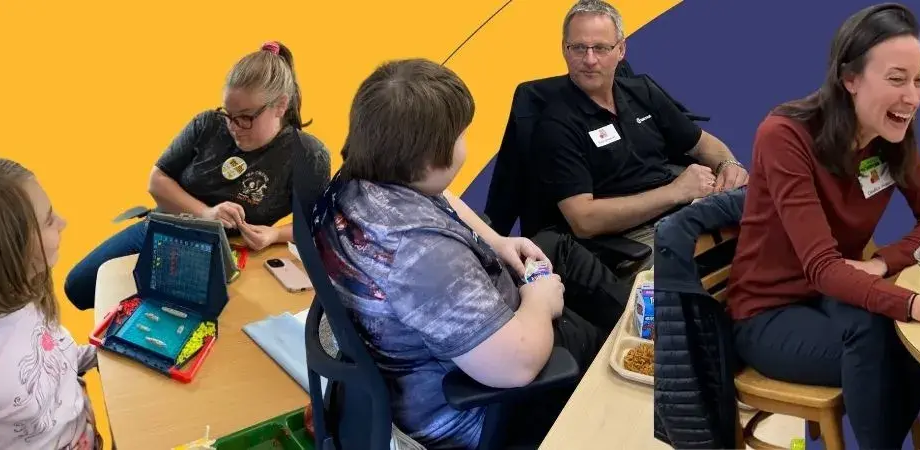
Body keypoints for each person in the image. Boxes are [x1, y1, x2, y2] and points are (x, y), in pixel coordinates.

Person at [310, 59, 598, 449]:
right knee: (602, 349)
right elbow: (518, 365)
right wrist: (539, 301)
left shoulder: (357, 183)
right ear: (431, 157)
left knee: (559, 254)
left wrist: (495, 240)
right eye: (461, 134)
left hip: (414, 368)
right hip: (472, 412)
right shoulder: (423, 254)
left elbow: (440, 194)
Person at [725, 4, 920, 448]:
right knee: (881, 337)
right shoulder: (784, 135)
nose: (912, 97)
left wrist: (881, 263)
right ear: (850, 78)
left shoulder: (893, 133)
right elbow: (822, 266)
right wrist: (915, 302)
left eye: (919, 80)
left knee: (898, 327)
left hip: (831, 295)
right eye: (897, 79)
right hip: (767, 314)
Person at [64, 41, 330, 311]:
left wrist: (275, 234)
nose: (234, 127)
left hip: (235, 252)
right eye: (228, 114)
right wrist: (206, 213)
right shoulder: (207, 124)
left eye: (246, 117)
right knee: (79, 286)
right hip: (171, 224)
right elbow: (156, 181)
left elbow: (315, 225)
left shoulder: (308, 155)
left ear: (280, 106)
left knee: (192, 319)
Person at [525, 0, 743, 328]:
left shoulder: (641, 91)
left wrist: (727, 163)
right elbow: (584, 220)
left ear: (621, 50)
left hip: (689, 207)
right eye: (578, 47)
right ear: (564, 50)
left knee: (768, 216)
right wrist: (675, 192)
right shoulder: (556, 125)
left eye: (600, 47)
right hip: (631, 237)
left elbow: (703, 144)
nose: (589, 59)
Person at [0, 158, 102, 450]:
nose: (64, 222)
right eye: (49, 220)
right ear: (5, 252)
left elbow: (52, 362)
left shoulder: (25, 295)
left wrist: (105, 351)